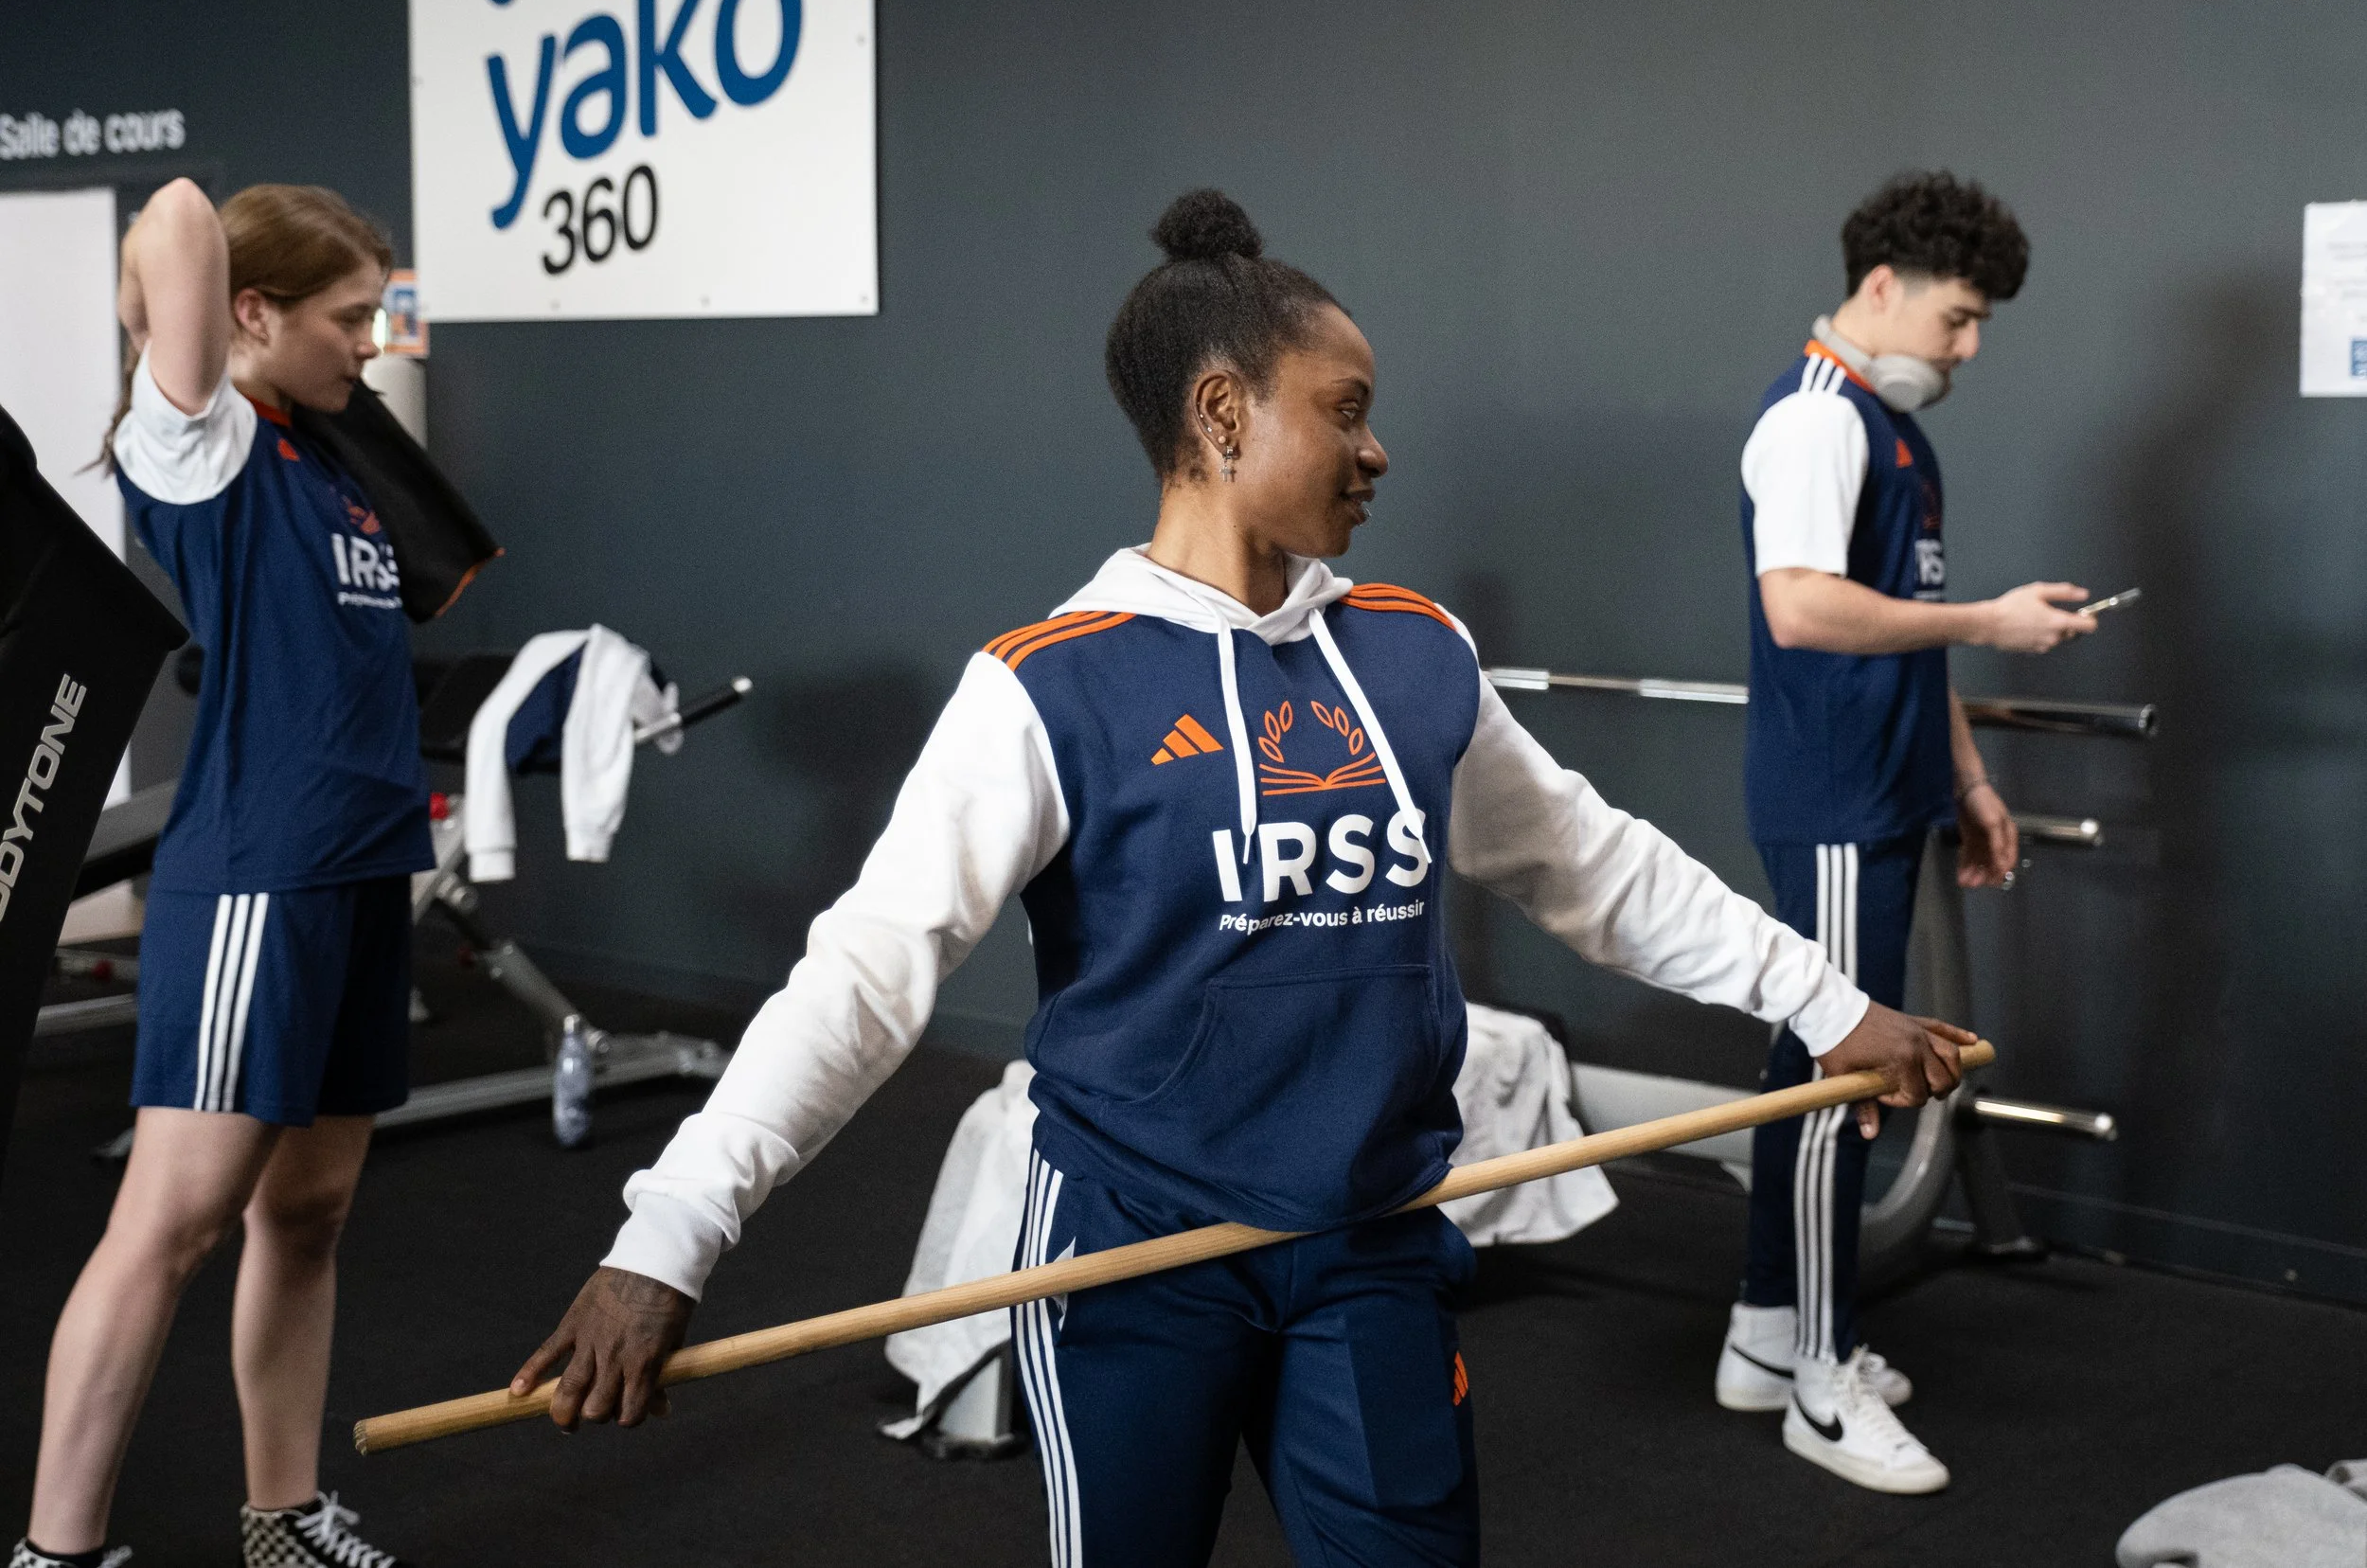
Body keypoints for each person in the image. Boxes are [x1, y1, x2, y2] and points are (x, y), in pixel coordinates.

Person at [518, 187, 1968, 1568]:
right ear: (1222, 416)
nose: (1377, 448)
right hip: (1131, 1261)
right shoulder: (1048, 687)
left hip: (1370, 1247)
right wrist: (669, 1236)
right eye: (1344, 411)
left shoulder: (1413, 652)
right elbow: (862, 980)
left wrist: (1832, 1005)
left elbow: (1598, 867)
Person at [16, 180, 425, 1568]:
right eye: (349, 315)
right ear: (251, 314)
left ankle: (281, 1514)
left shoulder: (326, 459)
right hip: (262, 872)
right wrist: (165, 321)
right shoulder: (203, 443)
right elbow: (186, 213)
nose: (372, 342)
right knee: (171, 1222)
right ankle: (56, 1552)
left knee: (306, 1211)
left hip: (362, 869)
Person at [1713, 170, 2093, 1494]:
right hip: (1828, 800)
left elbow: (1907, 625)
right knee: (1845, 1082)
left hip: (1888, 788)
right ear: (1884, 288)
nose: (1970, 348)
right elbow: (1806, 609)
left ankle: (1769, 1333)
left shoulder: (1897, 434)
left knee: (1814, 1069)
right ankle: (1821, 1378)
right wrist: (1993, 622)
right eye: (1960, 318)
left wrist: (1971, 780)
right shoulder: (1815, 424)